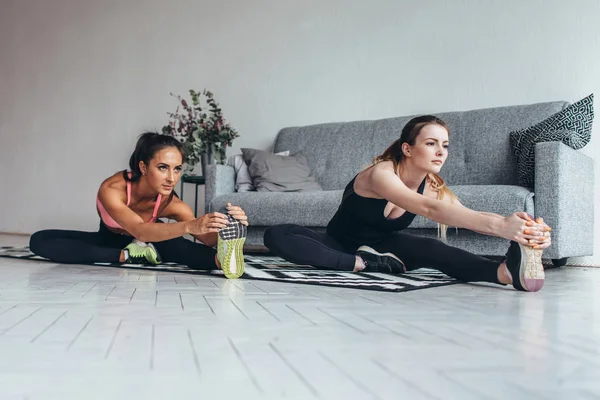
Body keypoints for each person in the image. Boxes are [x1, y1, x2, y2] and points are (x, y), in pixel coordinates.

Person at [264, 116, 551, 292]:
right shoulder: (381, 174)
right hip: (338, 244)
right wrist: (502, 226)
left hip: (389, 250)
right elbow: (427, 209)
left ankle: (504, 273)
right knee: (276, 234)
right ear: (407, 148)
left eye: (445, 145)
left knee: (432, 248)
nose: (441, 151)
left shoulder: (433, 187)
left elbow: (463, 214)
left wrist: (520, 228)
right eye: (431, 143)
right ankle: (361, 264)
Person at [29, 132, 248, 279]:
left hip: (152, 240)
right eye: (163, 167)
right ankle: (130, 255)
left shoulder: (174, 204)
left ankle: (220, 262)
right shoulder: (113, 189)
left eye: (177, 169)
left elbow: (207, 240)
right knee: (40, 240)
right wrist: (190, 226)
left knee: (177, 246)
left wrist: (228, 225)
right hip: (111, 241)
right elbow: (139, 230)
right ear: (143, 167)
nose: (172, 178)